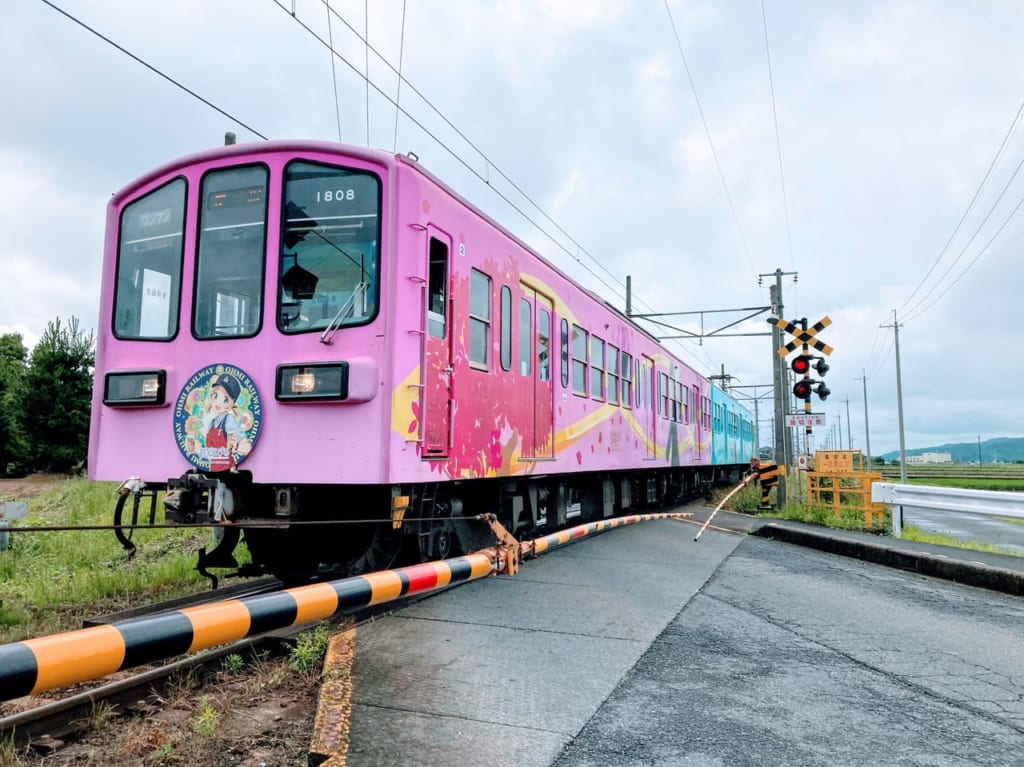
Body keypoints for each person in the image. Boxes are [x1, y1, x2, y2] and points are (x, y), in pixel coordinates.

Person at [201, 373, 252, 472]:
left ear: (233, 403)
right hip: (214, 469)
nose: (219, 402)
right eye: (216, 395)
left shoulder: (229, 419)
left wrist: (236, 445)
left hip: (227, 470)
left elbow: (246, 447)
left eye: (225, 399)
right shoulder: (212, 422)